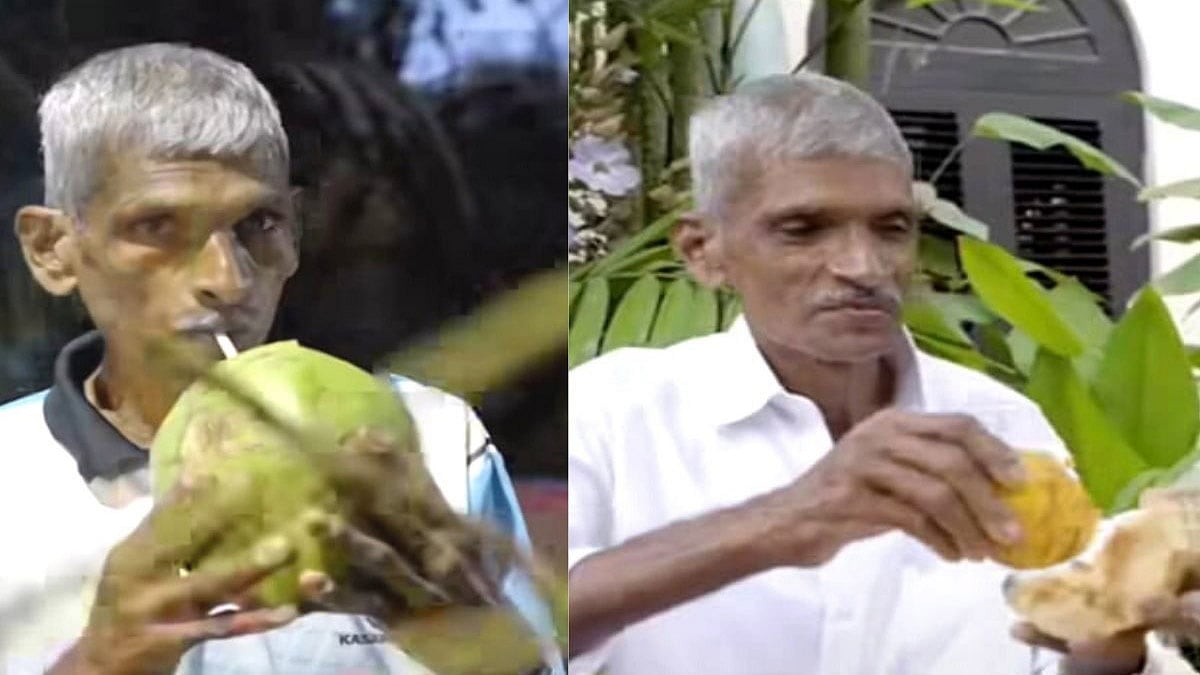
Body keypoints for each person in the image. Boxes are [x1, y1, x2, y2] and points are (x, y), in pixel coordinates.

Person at [567, 72, 1197, 675]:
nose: (862, 265)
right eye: (803, 229)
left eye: (890, 229)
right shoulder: (609, 413)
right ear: (704, 252)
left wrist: (1108, 641)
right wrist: (788, 520)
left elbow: (1061, 650)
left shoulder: (1000, 422)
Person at [0, 42, 561, 674]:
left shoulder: (430, 441)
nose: (228, 280)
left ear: (294, 232)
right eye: (157, 227)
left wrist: (483, 648)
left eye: (258, 224)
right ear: (53, 249)